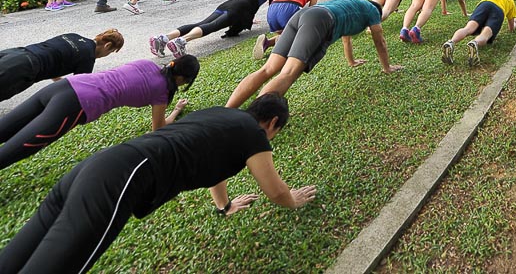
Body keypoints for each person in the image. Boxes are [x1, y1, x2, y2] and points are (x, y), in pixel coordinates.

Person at [0, 94, 316, 274]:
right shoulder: (253, 134)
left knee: (16, 257)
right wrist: (293, 199)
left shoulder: (222, 116)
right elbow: (274, 190)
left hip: (95, 167)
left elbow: (217, 165)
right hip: (119, 180)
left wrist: (225, 205)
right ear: (273, 123)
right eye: (275, 132)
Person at [0, 56, 199, 170]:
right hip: (75, 105)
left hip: (64, 86)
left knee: (4, 129)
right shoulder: (162, 91)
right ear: (182, 78)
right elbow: (158, 129)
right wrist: (176, 111)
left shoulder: (146, 63)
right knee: (13, 151)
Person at [226, 0, 401, 108]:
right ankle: (253, 122)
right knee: (288, 73)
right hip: (321, 20)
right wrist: (387, 67)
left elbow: (346, 38)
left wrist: (351, 61)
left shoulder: (352, 5)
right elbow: (380, 41)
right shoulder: (372, 12)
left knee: (268, 69)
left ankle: (227, 111)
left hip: (303, 14)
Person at [149, 0, 277, 58]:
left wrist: (249, 17)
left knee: (201, 23)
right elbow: (272, 3)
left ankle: (163, 38)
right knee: (212, 26)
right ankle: (182, 41)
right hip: (240, 7)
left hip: (230, 3)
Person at [0, 30, 124, 102]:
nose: (106, 55)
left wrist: (58, 80)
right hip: (25, 67)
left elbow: (56, 53)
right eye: (110, 52)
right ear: (107, 45)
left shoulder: (73, 36)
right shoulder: (87, 58)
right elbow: (79, 90)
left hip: (15, 52)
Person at [441, 0, 516, 66]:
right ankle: (475, 43)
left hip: (483, 5)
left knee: (468, 28)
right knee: (486, 33)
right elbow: (511, 27)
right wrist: (514, 22)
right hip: (499, 11)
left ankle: (451, 42)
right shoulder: (510, 0)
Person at [252, 0, 323, 59]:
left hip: (272, 9)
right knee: (299, 32)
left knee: (284, 33)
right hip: (290, 7)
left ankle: (266, 43)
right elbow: (312, 7)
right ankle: (279, 45)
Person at [399, 0, 467, 43]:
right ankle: (416, 29)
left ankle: (404, 30)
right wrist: (465, 13)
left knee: (414, 6)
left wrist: (444, 11)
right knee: (428, 7)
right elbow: (461, 0)